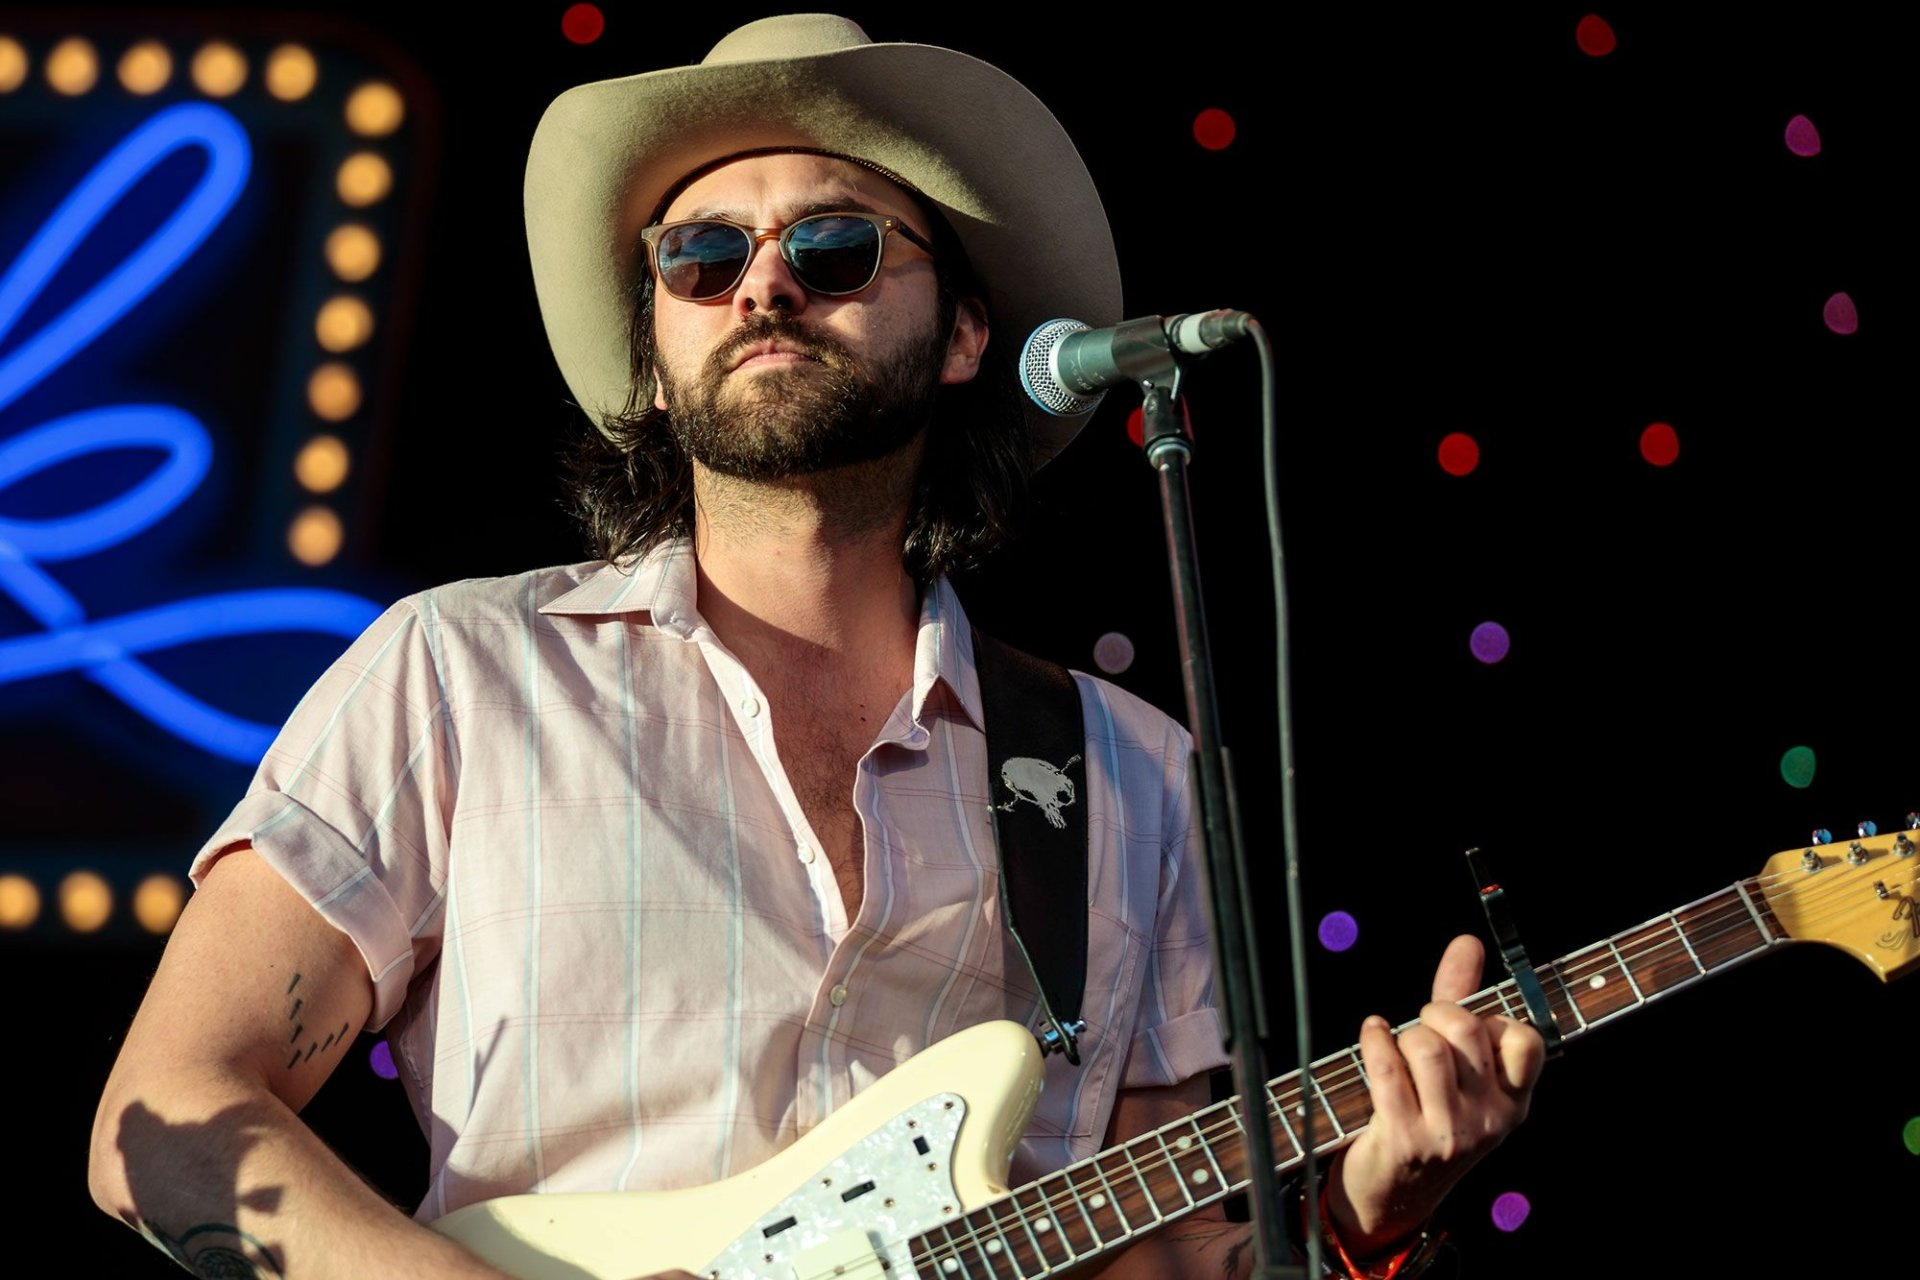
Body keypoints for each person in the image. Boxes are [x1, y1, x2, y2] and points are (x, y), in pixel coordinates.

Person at [87, 15, 1544, 1279]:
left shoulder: (1125, 771)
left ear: (967, 332)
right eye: (703, 257)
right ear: (657, 350)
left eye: (834, 244)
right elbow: (167, 1112)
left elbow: (1140, 1258)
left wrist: (1365, 1215)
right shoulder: (458, 674)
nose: (764, 287)